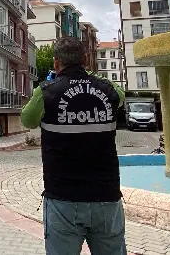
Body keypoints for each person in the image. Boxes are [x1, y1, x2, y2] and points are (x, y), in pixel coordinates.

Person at [21, 37, 126, 255]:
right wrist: (91, 78)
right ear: (85, 60)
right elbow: (121, 95)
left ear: (56, 62)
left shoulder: (47, 91)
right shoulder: (107, 90)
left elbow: (27, 120)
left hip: (63, 200)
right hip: (106, 197)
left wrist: (50, 84)